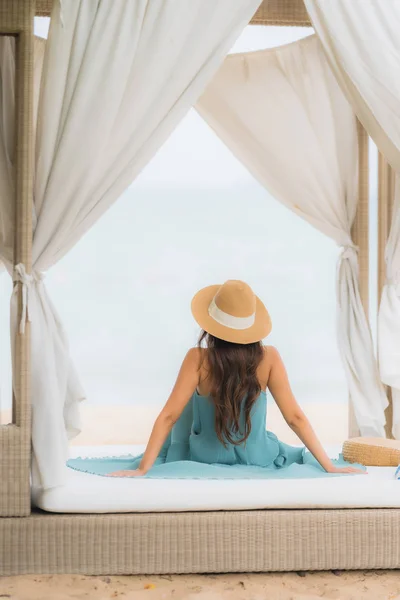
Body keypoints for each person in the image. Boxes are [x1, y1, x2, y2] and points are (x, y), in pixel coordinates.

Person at [109, 280, 364, 478]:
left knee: (187, 403)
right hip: (257, 456)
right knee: (269, 439)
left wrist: (143, 469)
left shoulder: (197, 358)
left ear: (211, 323)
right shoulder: (270, 357)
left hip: (206, 457)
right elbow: (294, 417)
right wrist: (329, 466)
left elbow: (168, 416)